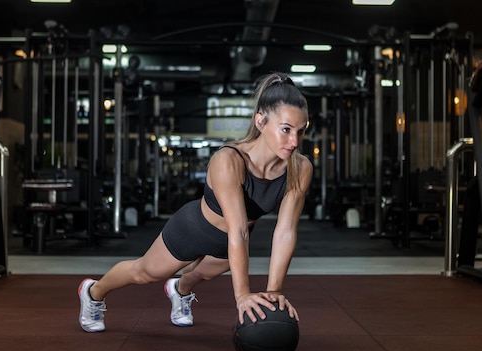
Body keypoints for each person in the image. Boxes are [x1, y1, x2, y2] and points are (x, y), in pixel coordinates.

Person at [78, 72, 313, 332]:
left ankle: (179, 290)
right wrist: (242, 296)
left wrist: (274, 291)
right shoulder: (229, 160)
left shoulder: (299, 168)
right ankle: (93, 292)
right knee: (145, 273)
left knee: (201, 274)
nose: (294, 141)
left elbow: (285, 231)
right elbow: (238, 229)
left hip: (229, 242)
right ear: (260, 121)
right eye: (286, 129)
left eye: (301, 131)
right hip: (194, 229)